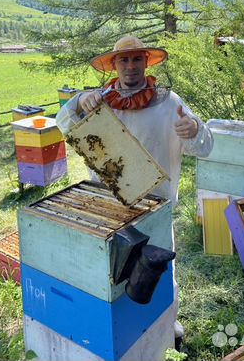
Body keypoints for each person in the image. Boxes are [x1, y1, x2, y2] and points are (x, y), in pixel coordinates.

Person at [56, 35, 213, 348]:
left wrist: (194, 129)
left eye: (136, 59)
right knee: (113, 275)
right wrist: (77, 100)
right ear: (114, 65)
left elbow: (205, 145)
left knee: (160, 273)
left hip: (157, 205)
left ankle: (167, 328)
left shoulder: (169, 102)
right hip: (110, 208)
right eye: (123, 60)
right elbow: (63, 123)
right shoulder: (98, 100)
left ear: (146, 62)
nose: (130, 66)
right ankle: (123, 337)